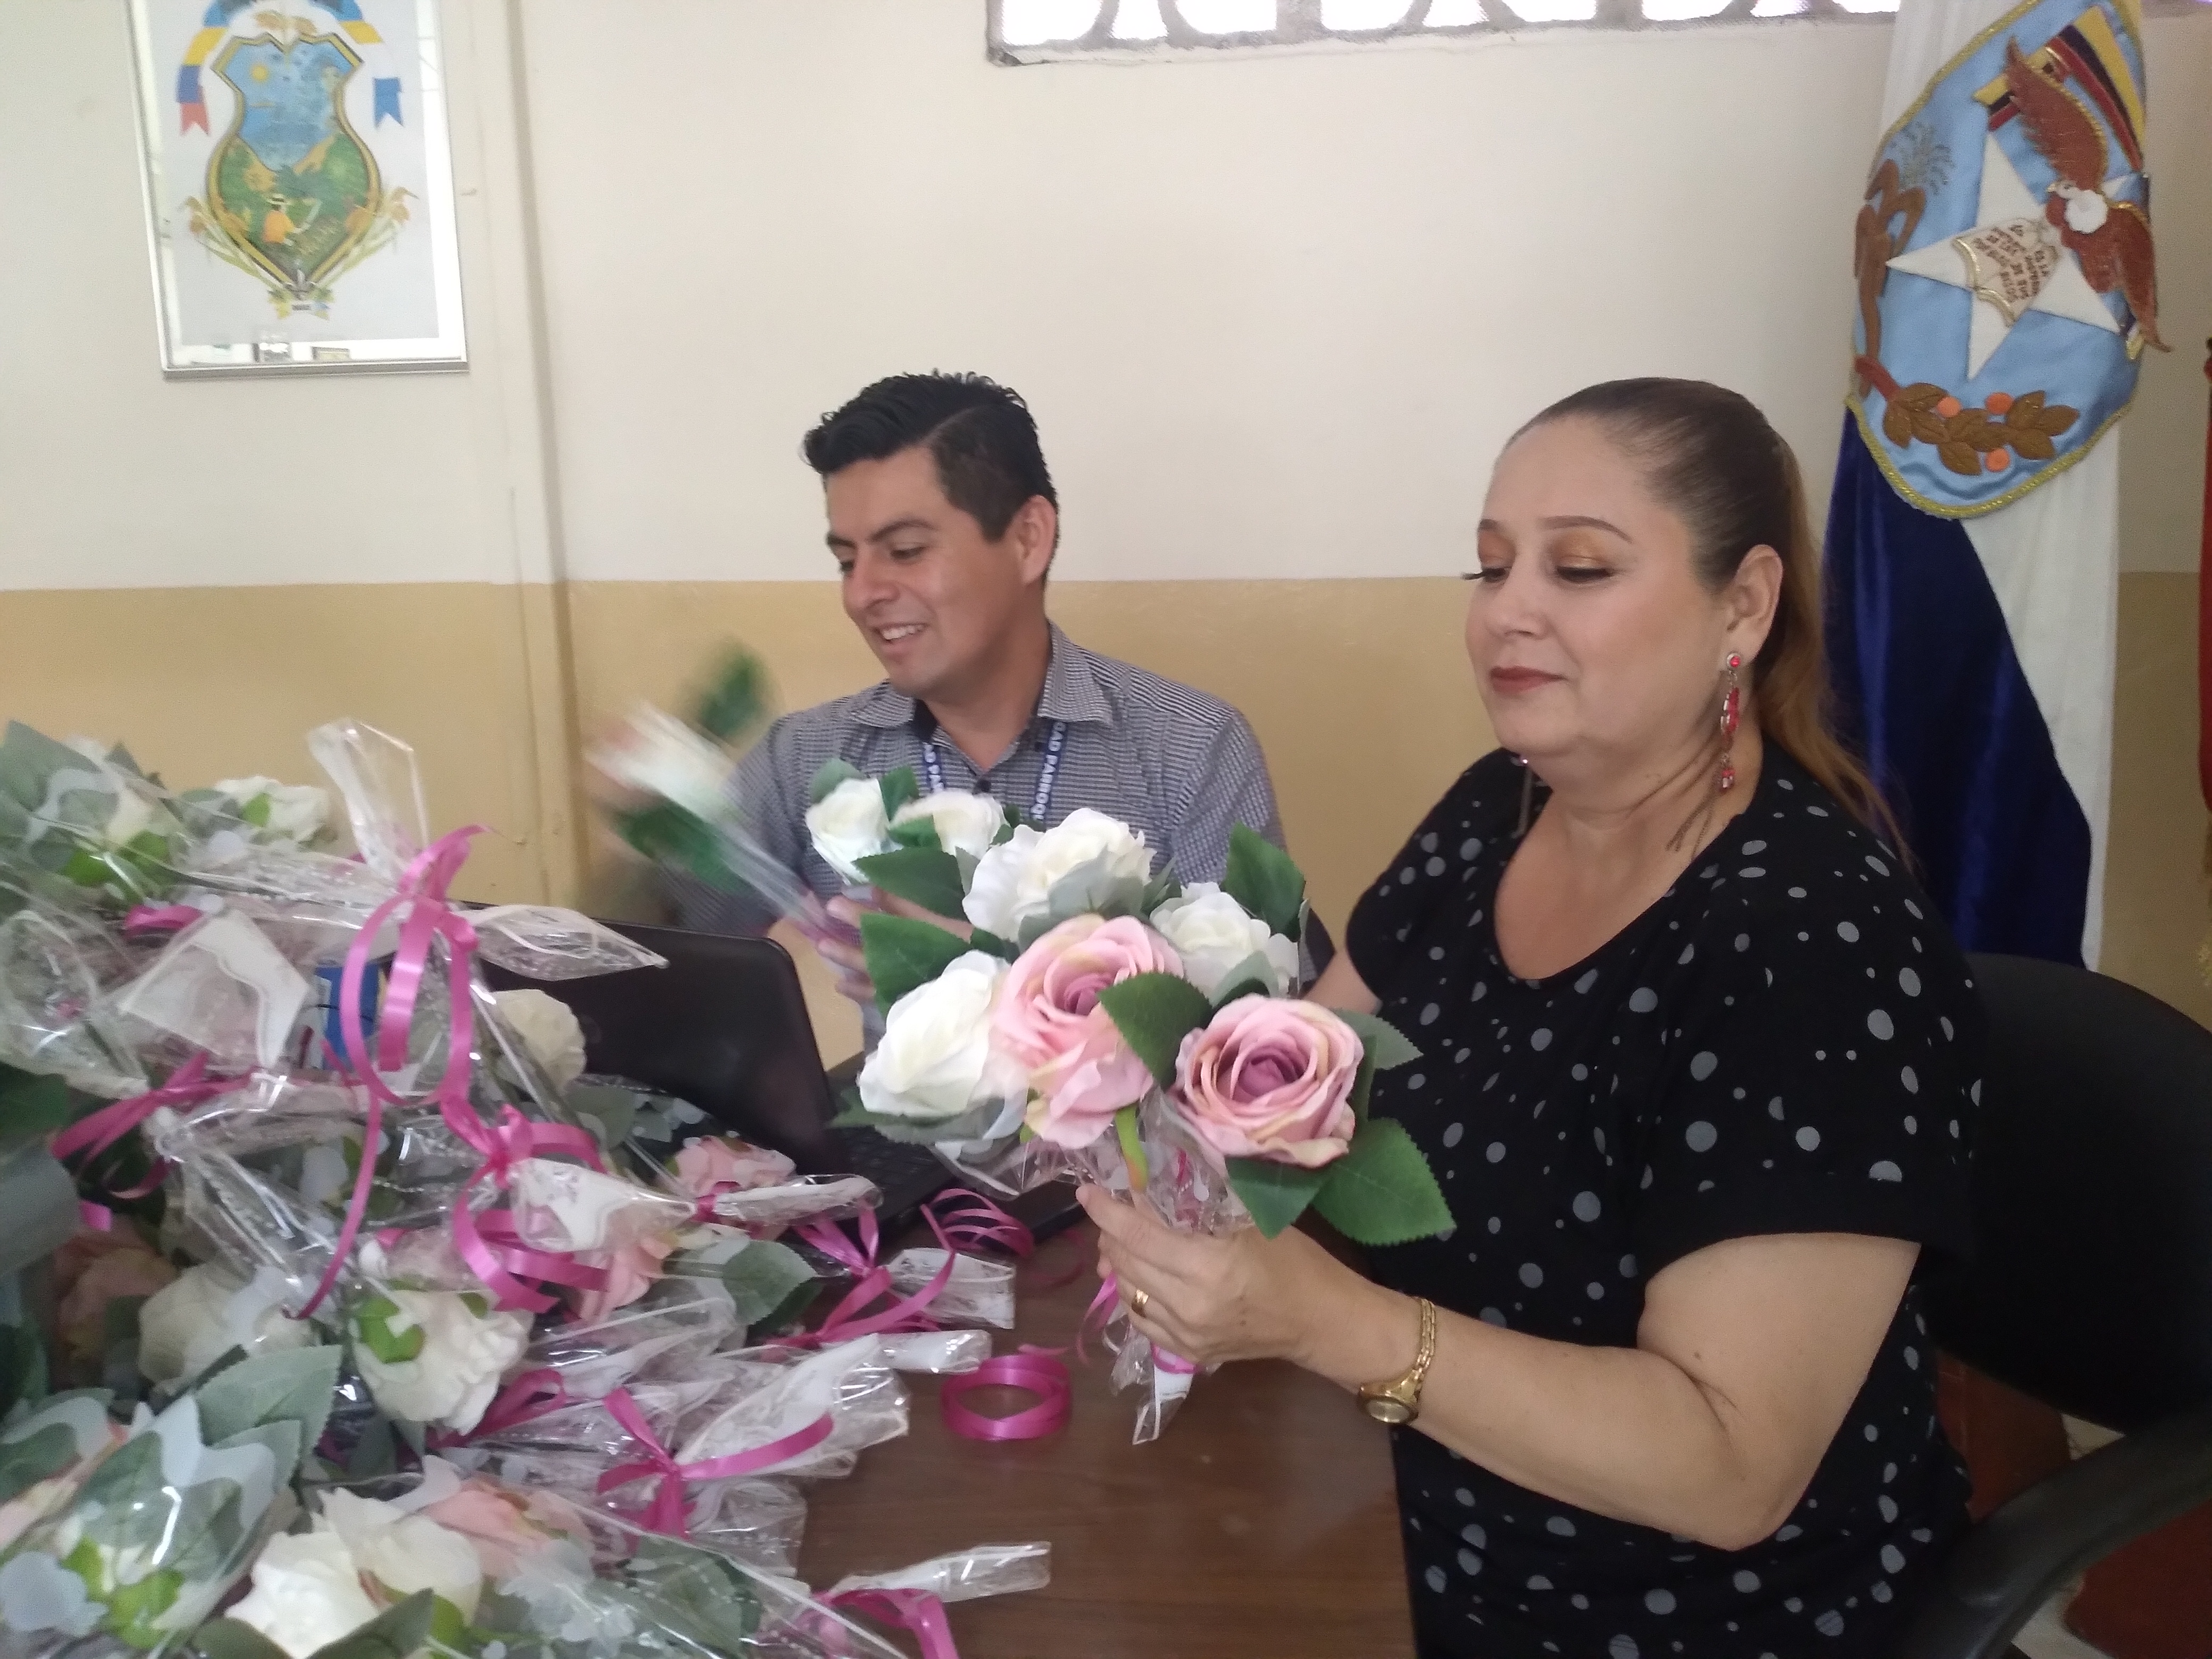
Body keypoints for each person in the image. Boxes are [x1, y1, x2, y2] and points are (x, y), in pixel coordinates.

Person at [1082, 379, 1981, 1658]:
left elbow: (1731, 1468)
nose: (1508, 609)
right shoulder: (1494, 810)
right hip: (1408, 1494)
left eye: (1580, 568)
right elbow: (1289, 1088)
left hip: (1677, 1609)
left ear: (1743, 605)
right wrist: (1119, 1103)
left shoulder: (1811, 942)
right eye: (1490, 564)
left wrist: (1334, 1324)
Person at [673, 372, 1290, 1013]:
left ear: (1027, 539)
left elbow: (1260, 1022)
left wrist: (1002, 968)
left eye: (905, 551)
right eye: (846, 562)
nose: (861, 594)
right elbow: (669, 958)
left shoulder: (1190, 747)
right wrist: (661, 822)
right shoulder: (805, 757)